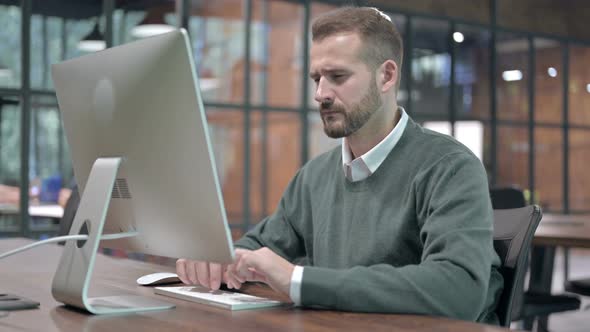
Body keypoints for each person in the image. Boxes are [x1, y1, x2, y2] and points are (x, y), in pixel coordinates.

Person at [176, 6, 503, 324]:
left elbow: (460, 290)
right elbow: (260, 246)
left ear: (386, 76)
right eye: (316, 78)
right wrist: (221, 259)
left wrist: (299, 281)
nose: (320, 93)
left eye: (337, 76)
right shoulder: (314, 176)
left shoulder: (450, 167)